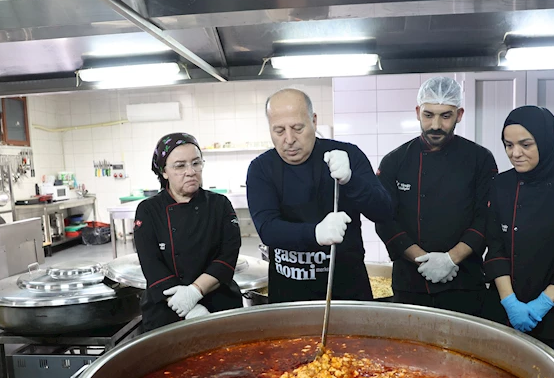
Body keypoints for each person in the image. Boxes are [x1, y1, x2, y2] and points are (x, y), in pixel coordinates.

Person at [246, 88, 393, 303]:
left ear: (314, 121)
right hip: (289, 298)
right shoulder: (261, 168)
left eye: (298, 128)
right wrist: (315, 233)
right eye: (279, 130)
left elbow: (384, 211)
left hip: (347, 293)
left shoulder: (347, 155)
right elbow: (268, 229)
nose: (289, 139)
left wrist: (351, 180)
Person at [375, 77, 498, 316]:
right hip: (410, 283)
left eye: (445, 116)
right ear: (418, 112)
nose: (435, 125)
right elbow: (385, 220)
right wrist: (423, 260)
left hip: (465, 284)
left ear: (459, 114)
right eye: (428, 115)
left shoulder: (480, 159)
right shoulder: (395, 161)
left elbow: (487, 217)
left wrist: (451, 259)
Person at [484, 106, 554, 359]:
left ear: (546, 141)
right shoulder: (500, 184)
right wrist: (509, 302)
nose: (515, 153)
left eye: (526, 144)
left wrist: (542, 304)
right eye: (508, 145)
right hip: (505, 311)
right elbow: (495, 246)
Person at [134, 132, 243, 332]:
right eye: (180, 166)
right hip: (166, 308)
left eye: (196, 163)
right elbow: (151, 264)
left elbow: (228, 257)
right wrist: (188, 307)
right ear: (164, 171)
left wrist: (194, 292)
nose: (191, 171)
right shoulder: (149, 210)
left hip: (218, 304)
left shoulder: (219, 204)